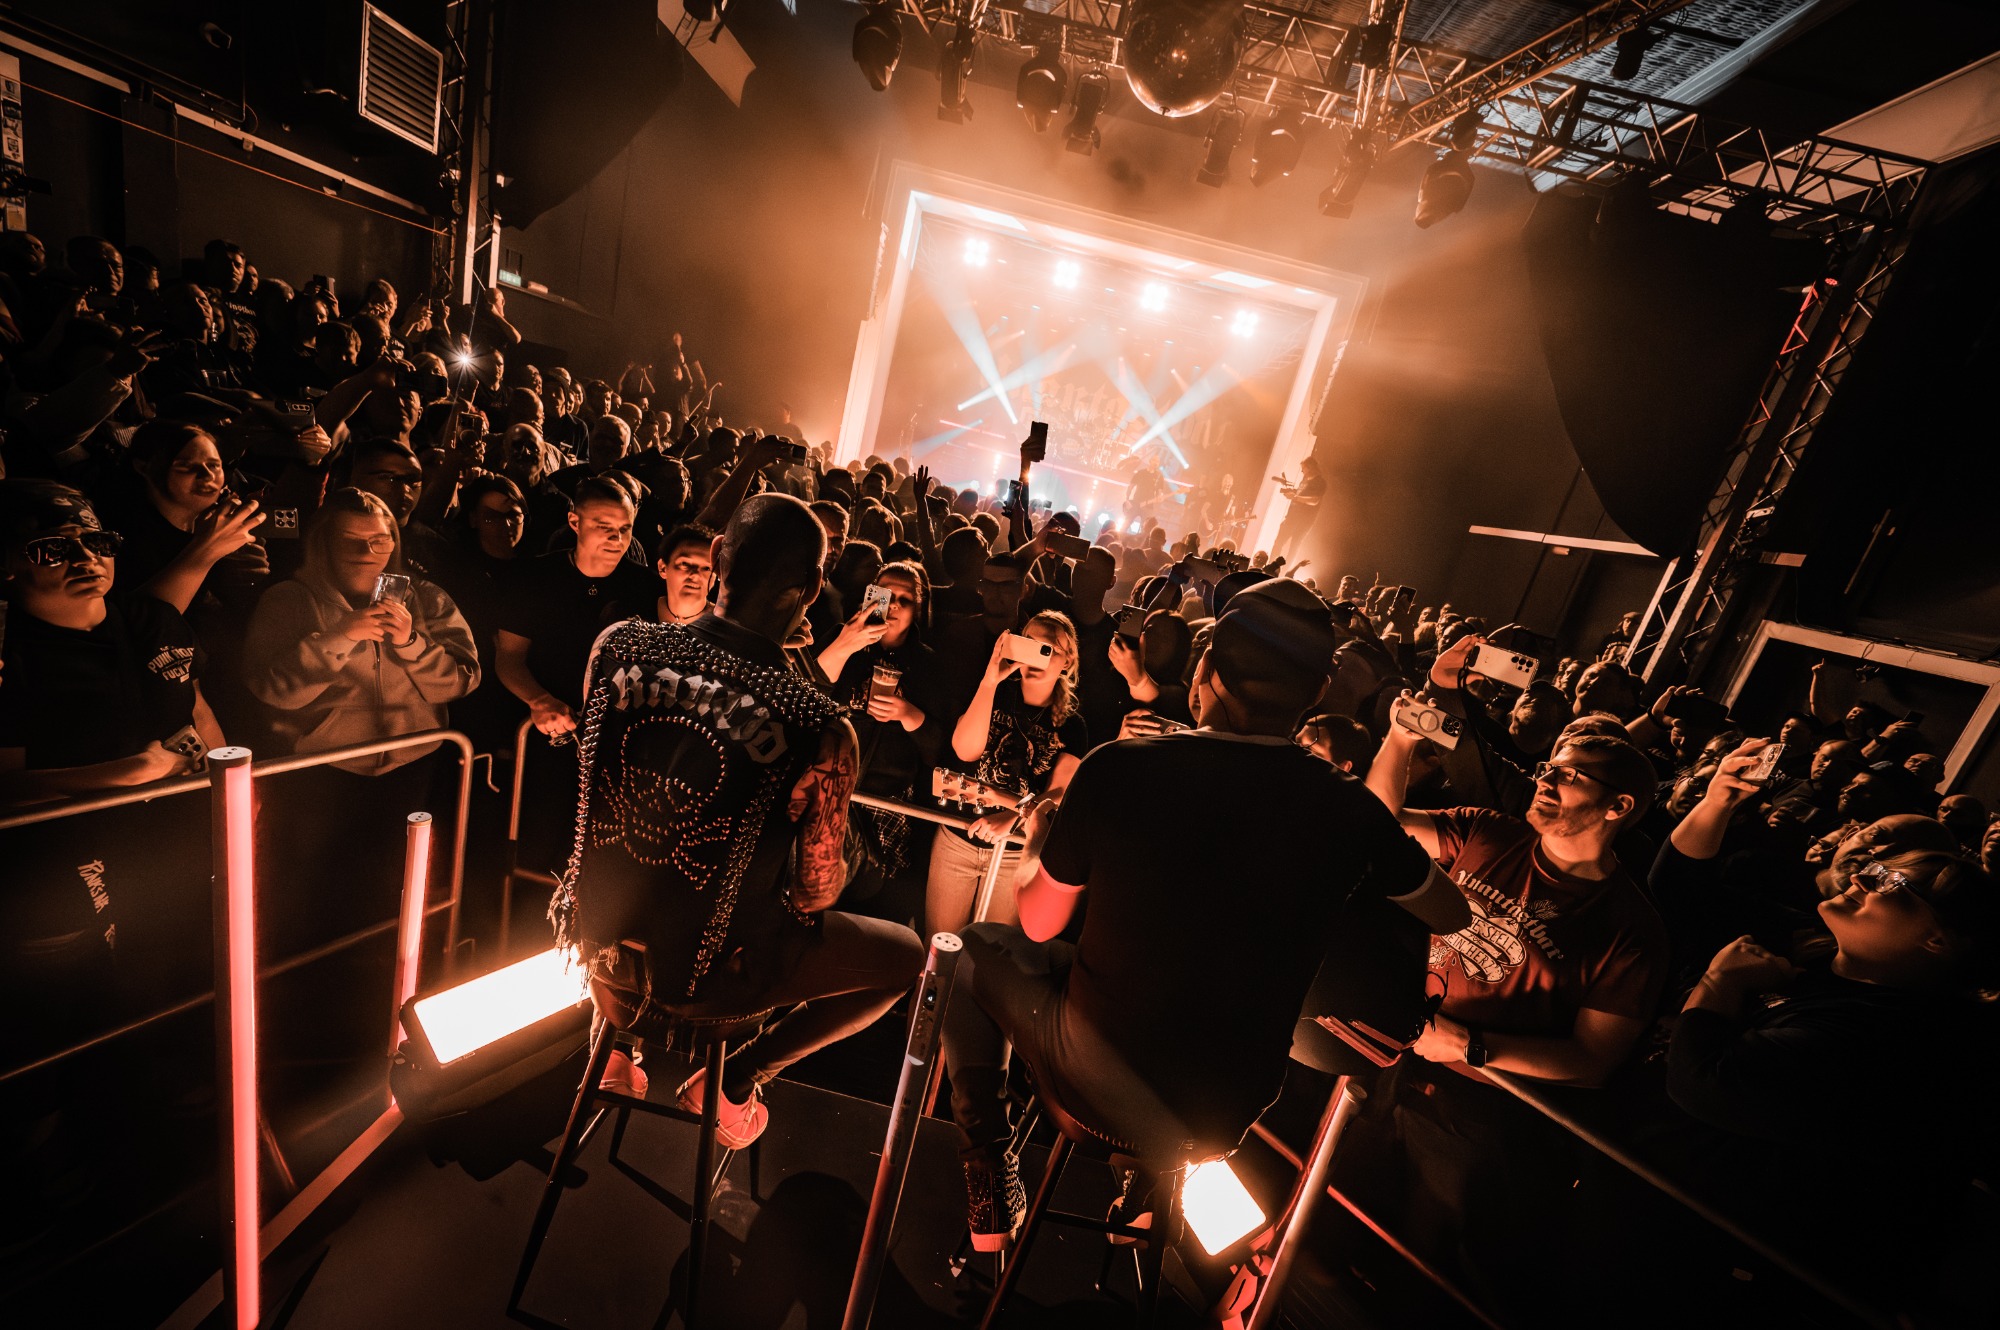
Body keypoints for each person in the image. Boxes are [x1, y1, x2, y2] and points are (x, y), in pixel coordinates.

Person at [941, 581, 1469, 1249]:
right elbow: (1448, 912)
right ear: (1315, 692)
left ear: (1206, 668)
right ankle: (1142, 1187)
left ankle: (988, 1172)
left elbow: (1040, 924)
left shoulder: (1118, 769)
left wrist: (1039, 842)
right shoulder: (1347, 807)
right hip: (1225, 1110)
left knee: (967, 951)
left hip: (1093, 1086)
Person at [556, 493, 925, 1146]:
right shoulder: (818, 722)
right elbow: (816, 892)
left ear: (720, 555)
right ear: (813, 586)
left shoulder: (618, 645)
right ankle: (734, 1084)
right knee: (906, 959)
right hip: (710, 982)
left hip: (593, 946)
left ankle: (610, 1049)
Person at [1362, 714, 1670, 1314]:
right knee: (1340, 1202)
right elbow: (1377, 823)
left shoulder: (1631, 929)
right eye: (1548, 768)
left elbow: (1592, 1062)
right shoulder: (1489, 832)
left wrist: (1467, 1045)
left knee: (1417, 1261)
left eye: (1570, 776)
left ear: (1619, 806)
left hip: (1479, 1111)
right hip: (1393, 1057)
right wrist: (1400, 739)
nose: (1545, 780)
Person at [241, 488, 479, 773]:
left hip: (416, 759)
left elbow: (461, 683)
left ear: (394, 542)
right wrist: (340, 637)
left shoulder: (428, 599)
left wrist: (411, 643)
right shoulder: (288, 599)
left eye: (379, 540)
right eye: (349, 540)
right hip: (323, 765)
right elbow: (272, 689)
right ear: (325, 543)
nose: (366, 552)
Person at [931, 610, 1087, 938]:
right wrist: (990, 681)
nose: (1036, 655)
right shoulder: (996, 691)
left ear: (1068, 660)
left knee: (990, 952)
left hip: (1014, 851)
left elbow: (1060, 793)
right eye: (1027, 643)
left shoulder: (1072, 725)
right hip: (958, 837)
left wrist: (1013, 816)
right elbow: (964, 751)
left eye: (1047, 648)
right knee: (939, 944)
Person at [1269, 457, 1324, 560]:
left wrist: (1295, 497)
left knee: (1293, 547)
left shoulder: (1319, 482)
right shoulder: (1305, 479)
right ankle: (1271, 564)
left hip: (1303, 521)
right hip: (1292, 517)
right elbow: (1301, 493)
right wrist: (1292, 492)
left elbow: (1315, 500)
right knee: (1279, 542)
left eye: (1303, 468)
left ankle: (1286, 568)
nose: (1302, 471)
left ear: (1310, 468)